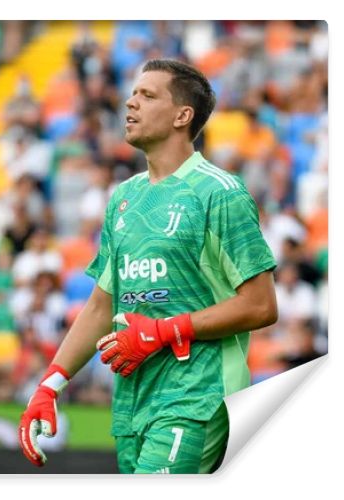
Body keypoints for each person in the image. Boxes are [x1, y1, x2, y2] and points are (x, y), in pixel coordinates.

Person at [18, 59, 278, 474]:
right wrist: (50, 383)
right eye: (133, 93)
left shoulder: (220, 193)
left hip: (198, 396)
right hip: (132, 402)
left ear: (182, 115)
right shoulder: (123, 197)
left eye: (147, 95)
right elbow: (101, 307)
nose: (130, 102)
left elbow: (261, 306)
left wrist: (163, 331)